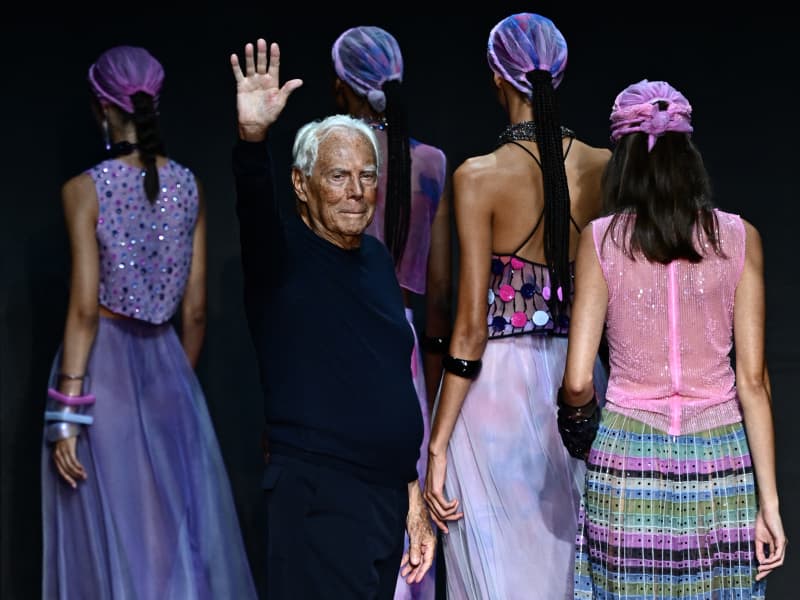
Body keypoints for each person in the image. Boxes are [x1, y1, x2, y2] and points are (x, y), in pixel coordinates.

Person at [40, 45, 257, 599]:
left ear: (100, 106)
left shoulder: (84, 189)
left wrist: (66, 411)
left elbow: (85, 309)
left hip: (102, 373)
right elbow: (197, 311)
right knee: (169, 531)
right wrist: (172, 383)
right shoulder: (189, 186)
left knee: (116, 532)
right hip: (169, 369)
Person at [558, 78, 787, 598]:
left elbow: (576, 382)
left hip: (626, 458)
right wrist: (768, 504)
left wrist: (576, 425)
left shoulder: (600, 241)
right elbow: (753, 382)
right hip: (721, 459)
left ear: (623, 159)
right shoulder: (739, 237)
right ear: (688, 154)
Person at [229, 38, 436, 599]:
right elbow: (253, 208)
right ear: (302, 184)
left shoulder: (372, 258)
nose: (356, 191)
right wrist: (253, 140)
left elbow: (388, 380)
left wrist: (412, 494)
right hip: (318, 498)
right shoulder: (281, 259)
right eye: (338, 176)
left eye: (367, 176)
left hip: (382, 498)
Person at [423, 13, 611, 599]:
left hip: (495, 395)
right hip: (581, 383)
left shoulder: (478, 176)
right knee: (573, 564)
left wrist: (437, 439)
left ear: (496, 78)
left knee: (501, 575)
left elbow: (470, 328)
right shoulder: (604, 166)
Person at [331, 25, 451, 600]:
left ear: (344, 87)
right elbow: (438, 290)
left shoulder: (330, 163)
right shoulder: (429, 163)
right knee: (406, 494)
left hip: (338, 338)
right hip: (404, 344)